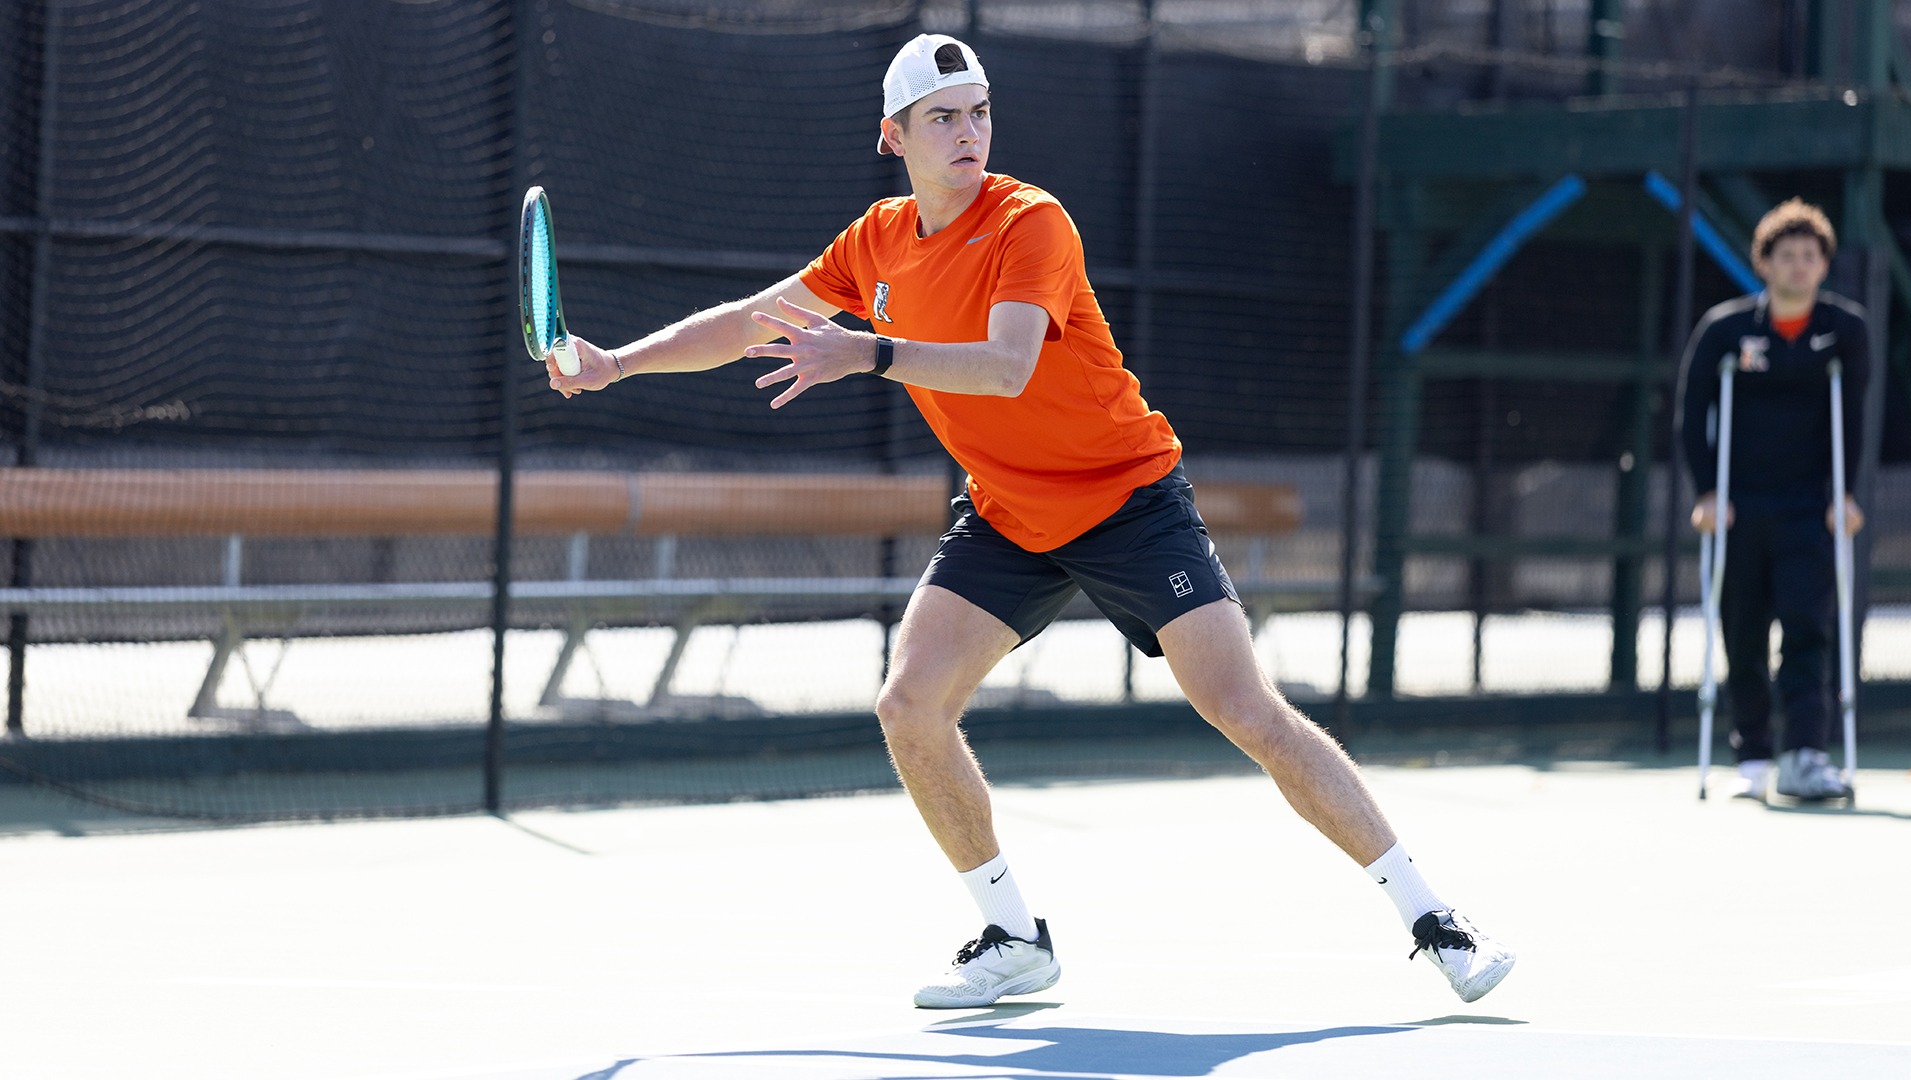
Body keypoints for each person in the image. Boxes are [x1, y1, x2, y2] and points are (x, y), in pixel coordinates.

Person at [546, 33, 1514, 1007]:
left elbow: (1007, 367)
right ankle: (1013, 936)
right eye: (942, 118)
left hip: (1128, 500)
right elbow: (750, 320)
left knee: (1244, 710)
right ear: (894, 137)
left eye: (978, 113)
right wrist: (616, 363)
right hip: (1008, 515)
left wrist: (870, 353)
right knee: (909, 706)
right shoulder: (875, 242)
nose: (967, 133)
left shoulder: (1030, 222)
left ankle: (1434, 918)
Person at [1680, 198, 1868, 801]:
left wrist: (1843, 494)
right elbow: (1692, 413)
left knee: (1808, 627)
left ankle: (1805, 755)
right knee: (1743, 633)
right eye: (1786, 256)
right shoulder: (1725, 330)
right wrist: (1708, 491)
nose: (1798, 266)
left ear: (1824, 265)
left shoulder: (1845, 331)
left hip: (1809, 509)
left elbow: (1853, 415)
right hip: (1740, 507)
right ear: (1764, 263)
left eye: (1809, 256)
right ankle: (1754, 756)